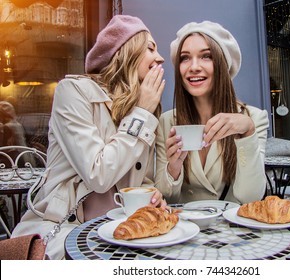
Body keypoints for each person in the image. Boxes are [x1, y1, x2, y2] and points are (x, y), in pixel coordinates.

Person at [12, 15, 166, 259]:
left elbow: (139, 181)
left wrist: (152, 196)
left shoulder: (142, 110)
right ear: (126, 50)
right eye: (150, 48)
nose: (160, 58)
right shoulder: (72, 92)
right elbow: (99, 175)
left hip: (117, 231)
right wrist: (141, 115)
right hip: (66, 232)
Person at [155, 21, 269, 204]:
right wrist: (173, 168)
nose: (193, 67)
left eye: (206, 56)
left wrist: (247, 133)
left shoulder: (254, 118)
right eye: (185, 58)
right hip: (185, 229)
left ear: (223, 65)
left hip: (232, 230)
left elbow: (251, 197)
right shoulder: (167, 122)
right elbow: (165, 198)